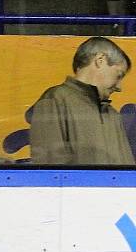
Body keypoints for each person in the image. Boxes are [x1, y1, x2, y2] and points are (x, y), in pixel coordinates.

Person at [30, 36, 135, 165]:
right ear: (100, 60)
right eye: (118, 75)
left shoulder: (111, 114)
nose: (119, 87)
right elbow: (49, 168)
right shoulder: (55, 100)